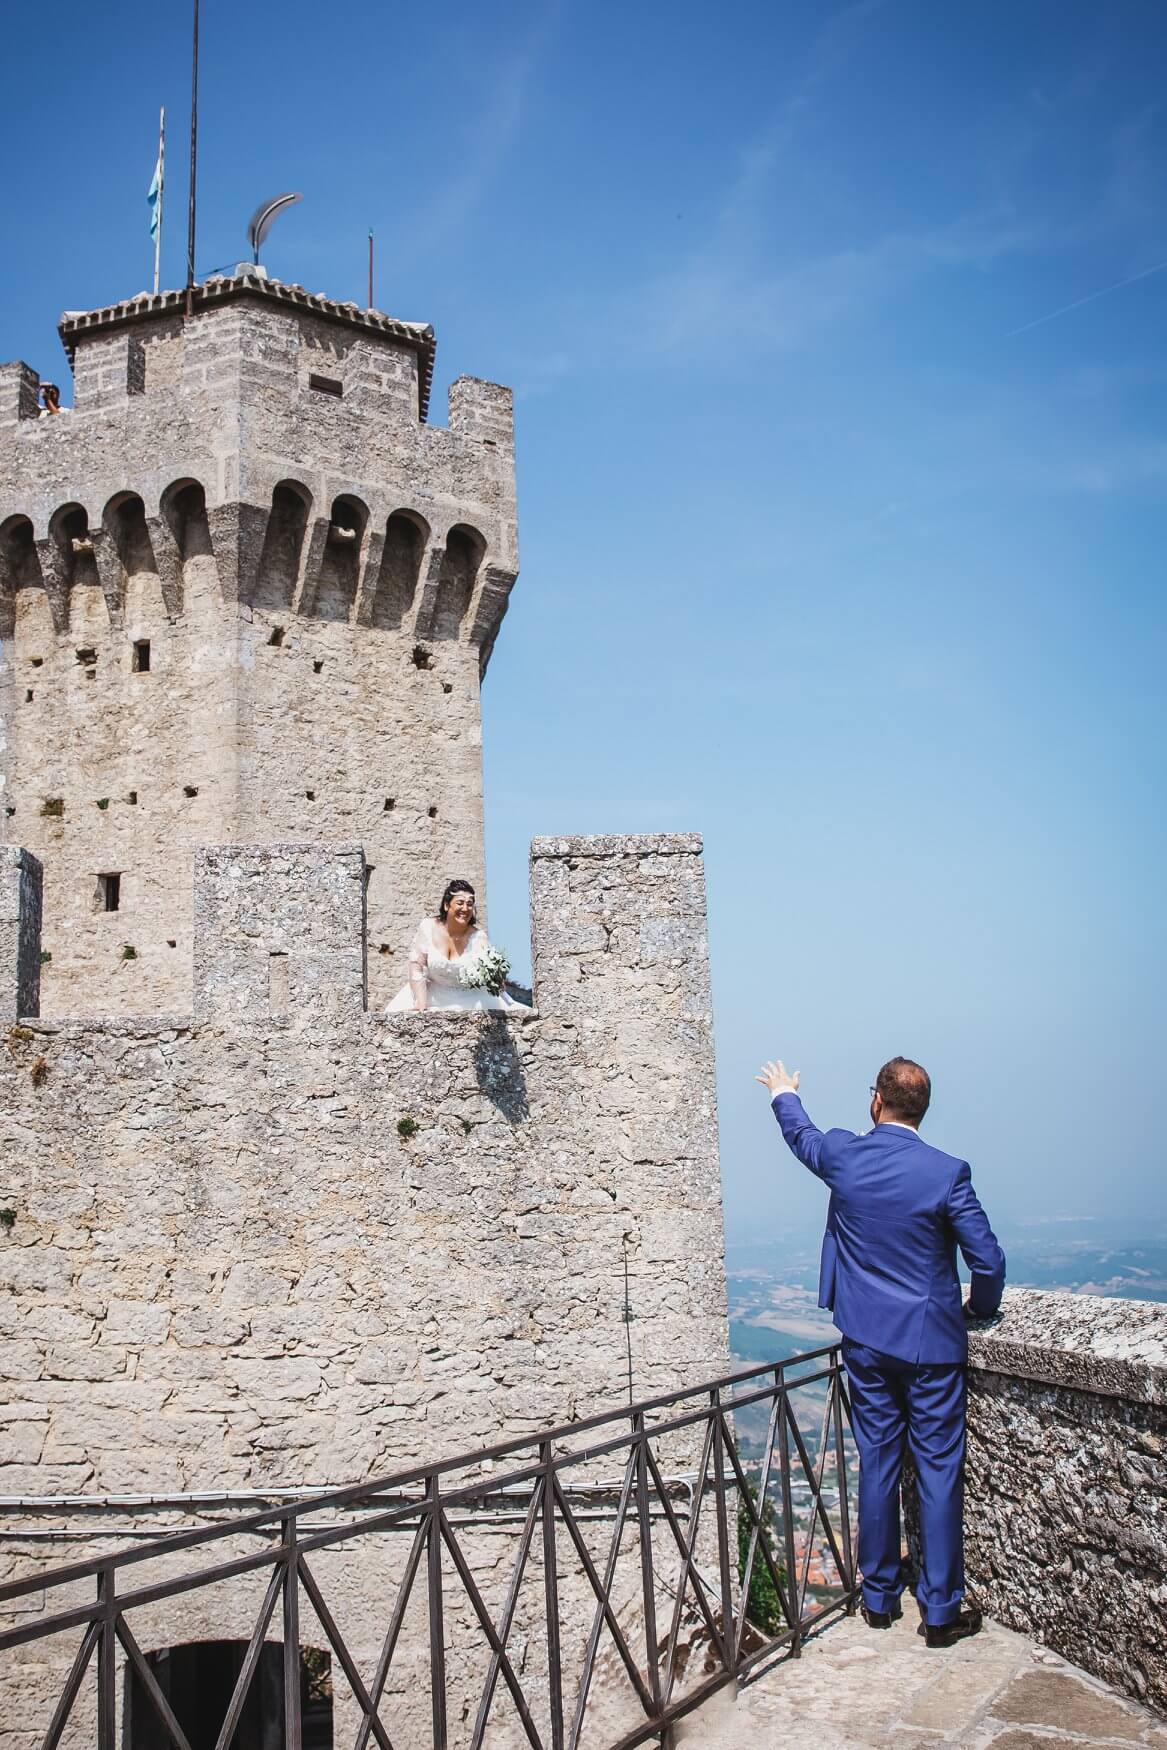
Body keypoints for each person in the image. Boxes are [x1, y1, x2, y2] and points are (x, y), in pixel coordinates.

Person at [755, 1054, 1005, 1647]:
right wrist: (976, 1311)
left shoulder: (846, 1156)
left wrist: (782, 1092)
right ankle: (940, 1612)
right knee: (939, 1472)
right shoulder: (947, 1174)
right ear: (923, 1107)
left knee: (879, 1464)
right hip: (932, 1345)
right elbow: (988, 1262)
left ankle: (878, 1599)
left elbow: (803, 1137)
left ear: (876, 1102)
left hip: (865, 1341)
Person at [385, 879, 529, 1013]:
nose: (465, 909)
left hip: (470, 999)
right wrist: (421, 1003)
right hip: (432, 995)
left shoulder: (478, 937)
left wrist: (496, 977)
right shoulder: (428, 927)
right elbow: (416, 966)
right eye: (460, 903)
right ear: (447, 905)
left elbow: (489, 969)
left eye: (470, 904)